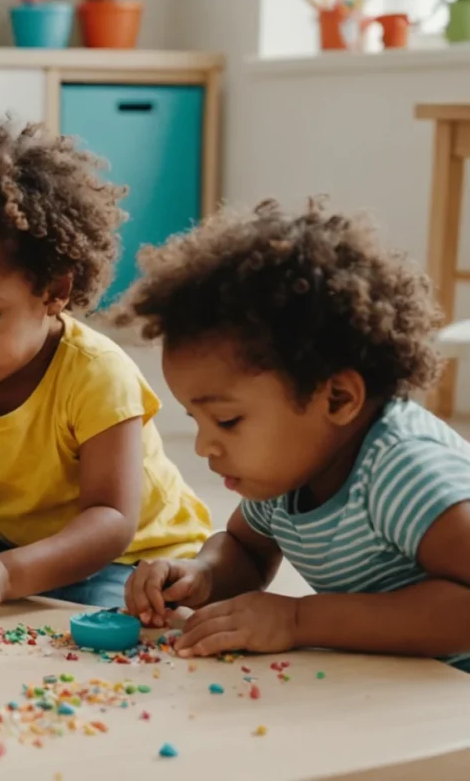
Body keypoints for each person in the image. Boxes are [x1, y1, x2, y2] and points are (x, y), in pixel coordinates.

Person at [0, 109, 211, 616]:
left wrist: (7, 573)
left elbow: (111, 518)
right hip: (11, 547)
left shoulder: (97, 374)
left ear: (54, 291)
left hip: (133, 557)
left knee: (108, 625)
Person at [118, 199, 470, 670]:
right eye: (196, 421)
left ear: (338, 399)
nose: (204, 447)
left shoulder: (404, 468)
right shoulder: (287, 468)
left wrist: (300, 619)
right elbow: (247, 549)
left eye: (227, 421)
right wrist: (201, 575)